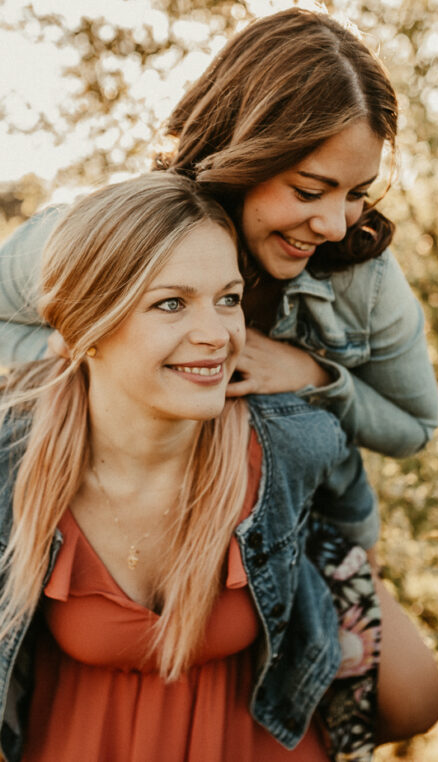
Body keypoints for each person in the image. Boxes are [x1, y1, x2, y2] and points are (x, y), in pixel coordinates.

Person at [0, 7, 438, 745]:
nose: (335, 222)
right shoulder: (109, 236)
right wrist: (83, 357)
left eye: (357, 191)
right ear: (244, 153)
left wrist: (309, 372)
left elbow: (413, 427)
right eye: (309, 190)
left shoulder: (358, 276)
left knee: (403, 694)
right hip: (118, 474)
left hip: (280, 500)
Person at [0, 172, 382, 762]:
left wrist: (359, 578)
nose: (217, 335)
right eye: (171, 303)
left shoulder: (287, 440)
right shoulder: (15, 456)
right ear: (86, 326)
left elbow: (348, 490)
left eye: (228, 299)